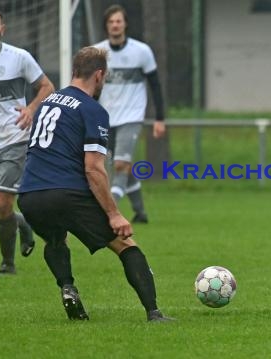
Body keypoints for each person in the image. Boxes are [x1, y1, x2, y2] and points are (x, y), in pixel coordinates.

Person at [17, 46, 172, 322]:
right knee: (126, 244)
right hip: (65, 194)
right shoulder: (93, 110)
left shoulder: (47, 103)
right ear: (99, 75)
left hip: (29, 195)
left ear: (75, 71)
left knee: (55, 239)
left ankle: (67, 287)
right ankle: (154, 313)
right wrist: (114, 214)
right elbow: (94, 169)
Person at [0, 4, 54, 275]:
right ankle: (23, 224)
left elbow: (47, 86)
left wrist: (31, 109)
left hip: (14, 139)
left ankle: (7, 265)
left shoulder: (19, 57)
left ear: (3, 28)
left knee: (3, 205)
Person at [93, 4, 166, 224]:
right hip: (106, 119)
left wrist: (160, 118)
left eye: (119, 21)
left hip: (131, 118)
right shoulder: (97, 53)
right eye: (111, 22)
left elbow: (155, 85)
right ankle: (140, 212)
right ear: (106, 26)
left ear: (125, 24)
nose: (115, 25)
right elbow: (90, 87)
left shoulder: (141, 51)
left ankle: (109, 209)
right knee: (123, 165)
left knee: (120, 166)